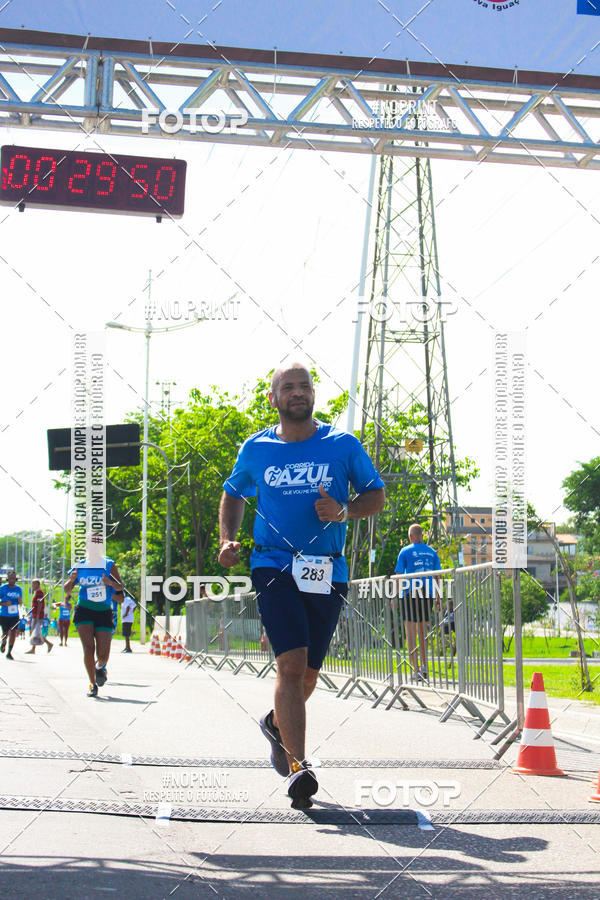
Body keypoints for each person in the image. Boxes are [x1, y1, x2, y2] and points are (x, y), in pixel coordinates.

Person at [219, 362, 385, 807]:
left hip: (327, 568)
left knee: (308, 674)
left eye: (304, 386)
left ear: (313, 395)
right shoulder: (256, 449)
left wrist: (345, 511)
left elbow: (376, 495)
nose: (297, 392)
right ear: (272, 398)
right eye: (287, 387)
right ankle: (298, 767)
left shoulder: (342, 444)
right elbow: (233, 493)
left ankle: (276, 724)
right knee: (290, 666)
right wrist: (227, 539)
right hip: (273, 564)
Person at [64, 550, 124, 697]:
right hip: (84, 609)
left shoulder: (109, 564)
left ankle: (99, 667)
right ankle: (93, 684)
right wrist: (71, 580)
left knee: (104, 655)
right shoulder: (80, 566)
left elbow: (120, 587)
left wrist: (110, 583)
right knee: (88, 648)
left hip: (103, 611)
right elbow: (67, 590)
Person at [392, 523, 441, 683]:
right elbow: (438, 576)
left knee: (410, 633)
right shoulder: (432, 552)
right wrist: (438, 597)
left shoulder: (405, 551)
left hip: (410, 593)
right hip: (426, 593)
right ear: (421, 536)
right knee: (423, 632)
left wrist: (395, 596)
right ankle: (425, 666)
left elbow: (399, 575)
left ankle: (416, 669)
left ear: (411, 537)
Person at [25, 580, 53, 655]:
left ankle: (35, 648)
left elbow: (40, 604)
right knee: (35, 632)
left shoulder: (39, 592)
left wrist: (37, 615)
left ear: (37, 584)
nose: (32, 586)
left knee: (34, 632)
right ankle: (47, 644)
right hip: (35, 615)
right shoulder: (37, 592)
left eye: (33, 584)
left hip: (38, 616)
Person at [0, 570, 22, 660]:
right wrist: (5, 603)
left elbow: (20, 602)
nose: (12, 580)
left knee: (13, 633)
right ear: (7, 579)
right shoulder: (2, 588)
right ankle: (3, 643)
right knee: (5, 633)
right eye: (10, 578)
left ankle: (9, 652)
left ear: (15, 579)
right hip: (4, 615)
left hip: (14, 615)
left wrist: (20, 601)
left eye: (13, 578)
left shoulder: (18, 589)